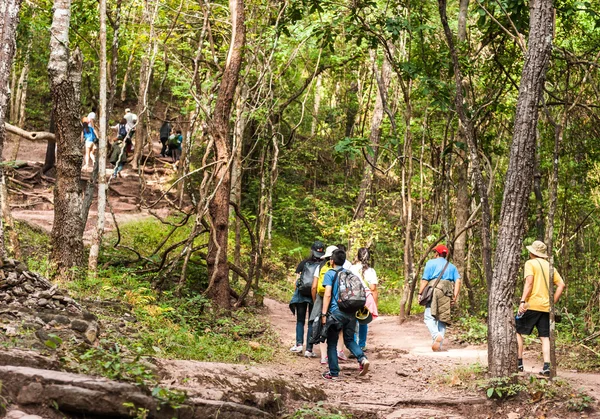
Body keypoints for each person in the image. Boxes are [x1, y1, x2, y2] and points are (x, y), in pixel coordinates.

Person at [516, 240, 565, 376]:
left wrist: (522, 301)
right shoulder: (550, 266)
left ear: (532, 252)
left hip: (531, 305)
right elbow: (561, 284)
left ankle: (519, 364)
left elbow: (529, 283)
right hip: (546, 308)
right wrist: (552, 302)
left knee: (518, 331)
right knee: (544, 337)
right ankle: (547, 366)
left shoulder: (530, 264)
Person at [321, 249, 370, 380]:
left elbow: (327, 294)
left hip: (336, 312)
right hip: (351, 312)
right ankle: (362, 358)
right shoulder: (350, 273)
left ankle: (333, 372)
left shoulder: (330, 274)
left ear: (331, 261)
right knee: (349, 340)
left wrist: (323, 314)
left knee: (331, 342)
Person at [418, 244, 460, 352]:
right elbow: (458, 281)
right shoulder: (452, 266)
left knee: (428, 317)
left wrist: (420, 293)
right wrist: (454, 296)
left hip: (434, 291)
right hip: (447, 292)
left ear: (436, 253)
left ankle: (436, 335)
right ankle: (438, 345)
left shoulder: (430, 263)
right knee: (443, 318)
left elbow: (425, 280)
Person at [311, 245, 347, 364]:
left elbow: (315, 286)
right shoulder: (344, 269)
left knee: (323, 328)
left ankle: (324, 356)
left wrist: (316, 301)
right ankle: (339, 351)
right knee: (339, 327)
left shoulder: (320, 267)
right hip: (338, 301)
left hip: (322, 300)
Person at [289, 241, 324, 357]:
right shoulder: (323, 265)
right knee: (311, 322)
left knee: (300, 320)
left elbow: (296, 282)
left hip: (301, 295)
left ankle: (299, 345)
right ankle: (309, 349)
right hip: (315, 296)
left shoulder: (304, 263)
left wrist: (298, 291)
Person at [351, 248, 378, 351]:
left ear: (357, 256)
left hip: (353, 296)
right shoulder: (371, 271)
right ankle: (362, 345)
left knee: (353, 322)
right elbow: (373, 288)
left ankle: (353, 345)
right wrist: (375, 305)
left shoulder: (352, 268)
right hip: (365, 297)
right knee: (363, 321)